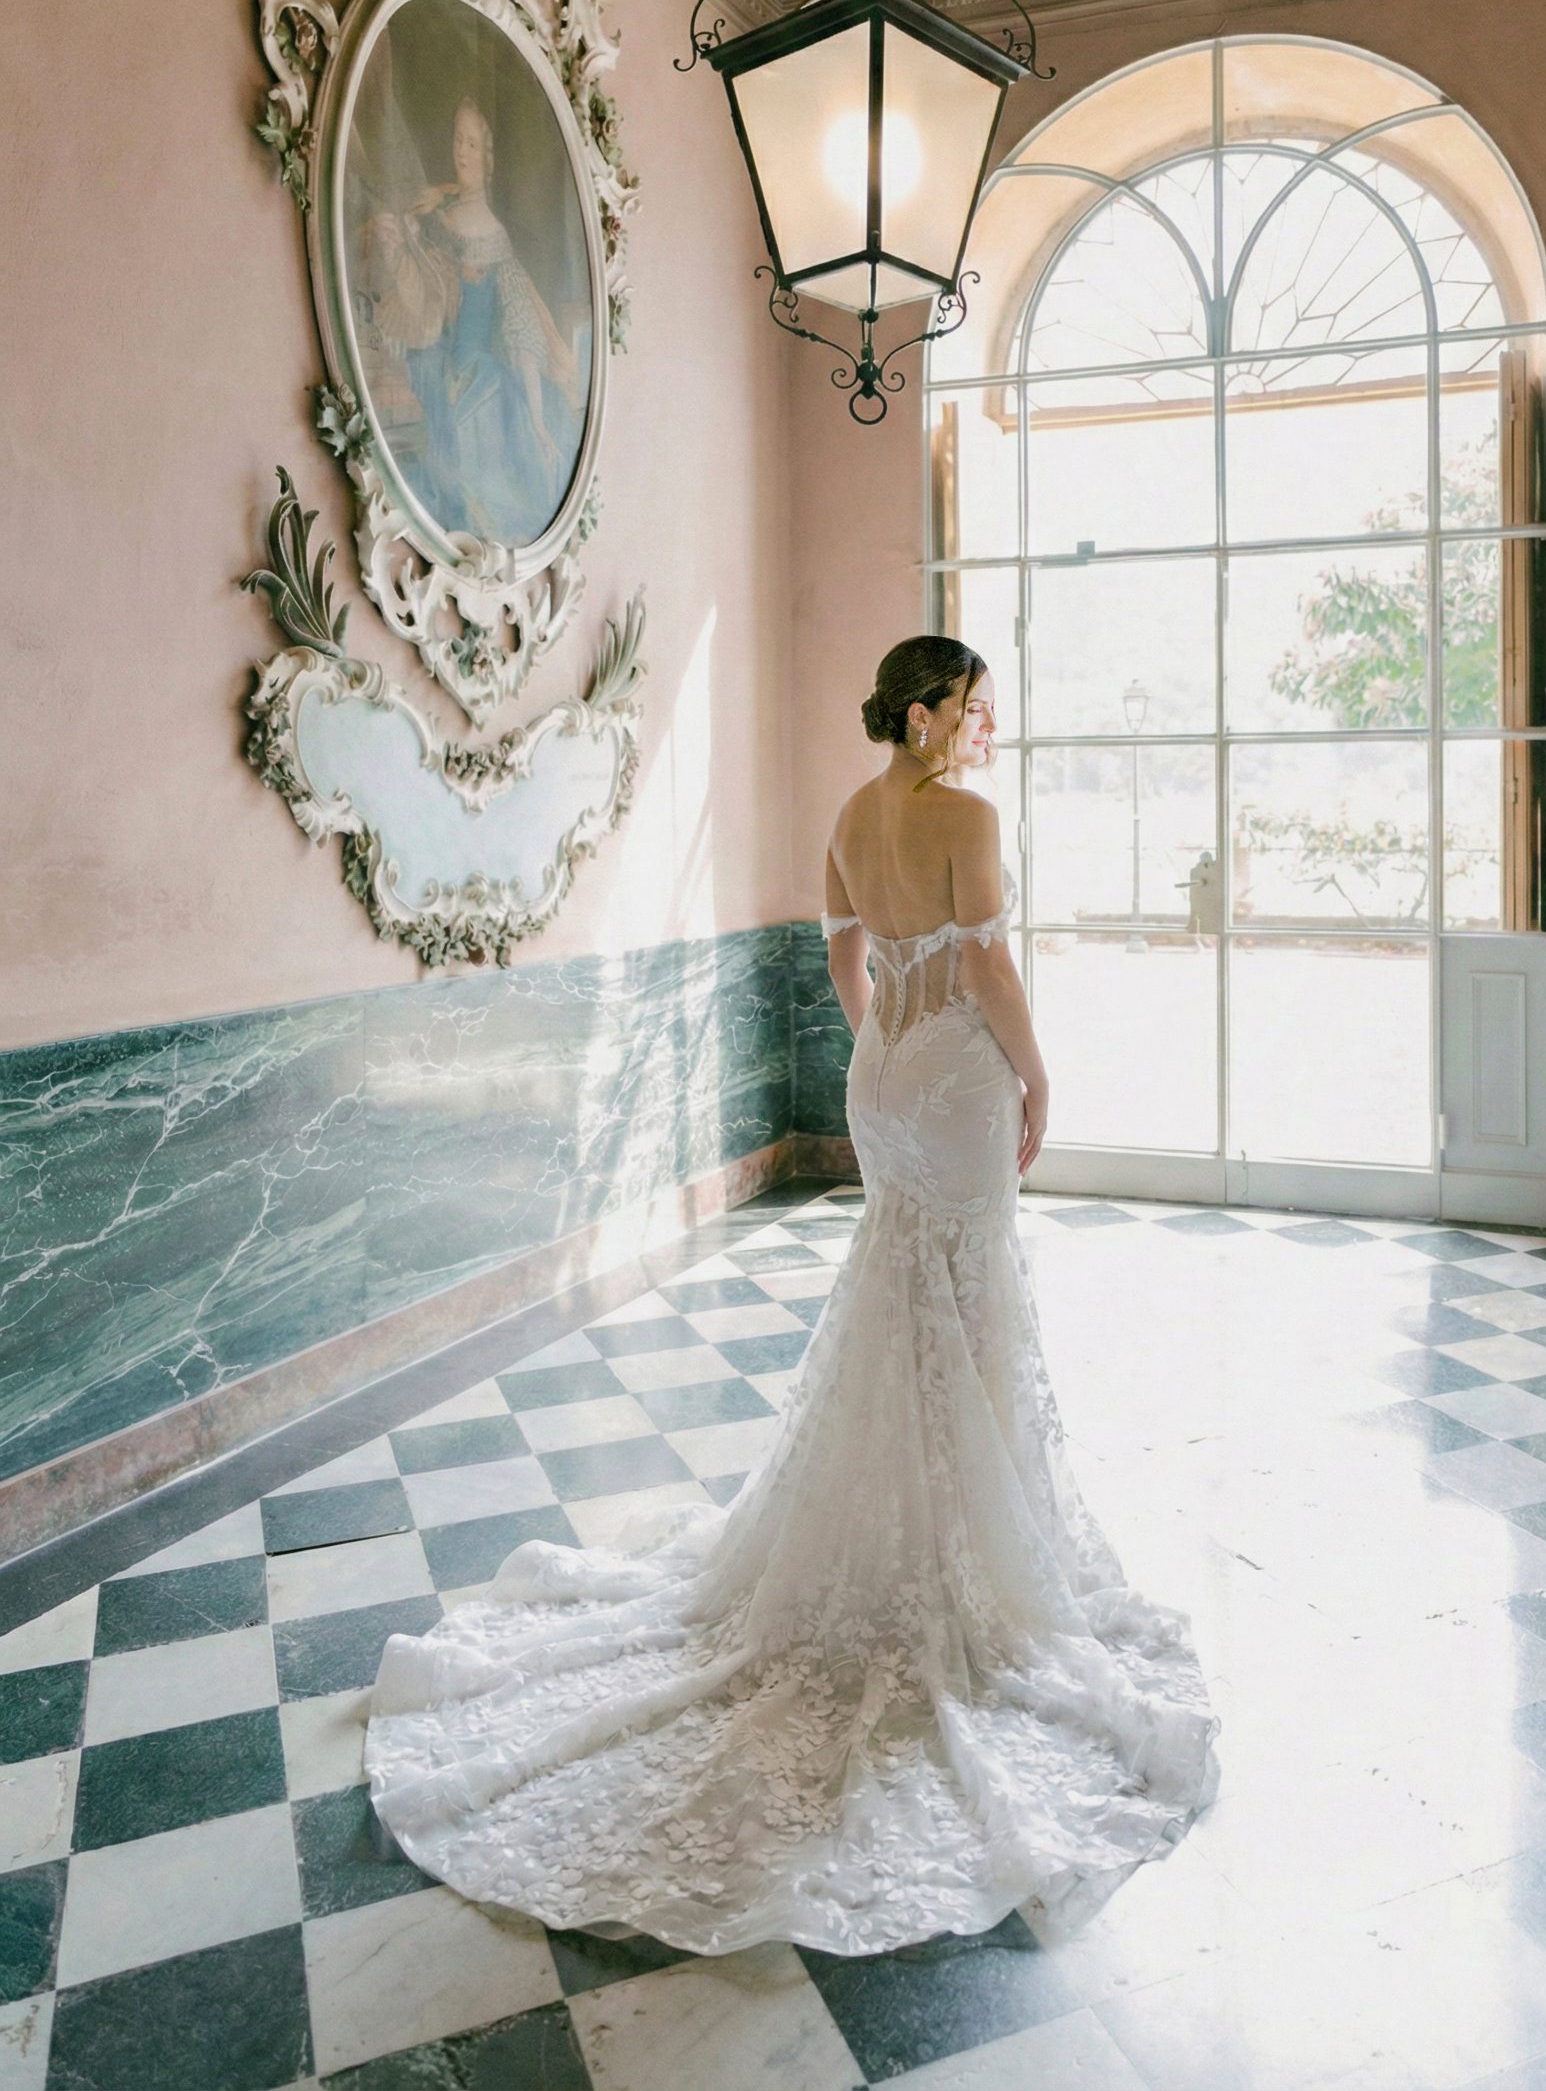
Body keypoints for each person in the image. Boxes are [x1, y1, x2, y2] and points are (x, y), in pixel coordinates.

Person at [362, 634, 1221, 1955]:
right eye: (973, 708)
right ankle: (970, 1544)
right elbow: (988, 971)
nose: (985, 729)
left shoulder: (849, 816)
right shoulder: (964, 817)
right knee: (967, 1289)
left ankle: (914, 1524)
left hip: (883, 1077)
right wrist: (1039, 1077)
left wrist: (879, 1039)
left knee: (899, 1283)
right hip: (957, 1073)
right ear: (924, 713)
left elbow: (842, 950)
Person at [364, 96, 587, 546]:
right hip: (425, 356)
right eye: (457, 140)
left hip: (472, 377)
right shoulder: (435, 214)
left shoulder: (494, 240)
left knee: (472, 456)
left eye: (471, 144)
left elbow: (522, 332)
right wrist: (395, 241)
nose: (461, 152)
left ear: (487, 158)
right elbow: (422, 299)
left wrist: (537, 420)